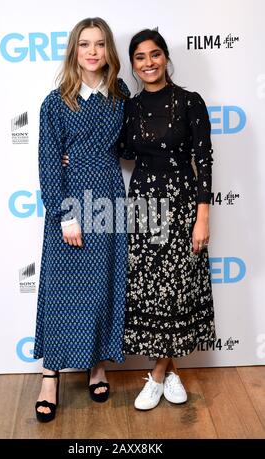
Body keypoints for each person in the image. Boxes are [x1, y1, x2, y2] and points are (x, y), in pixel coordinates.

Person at [34, 17, 130, 422]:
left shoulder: (121, 95)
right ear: (74, 50)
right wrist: (64, 214)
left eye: (100, 44)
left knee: (101, 284)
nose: (92, 51)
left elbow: (133, 143)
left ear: (109, 51)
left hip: (109, 196)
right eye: (84, 44)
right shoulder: (55, 102)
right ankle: (50, 375)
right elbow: (48, 163)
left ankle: (97, 366)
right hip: (72, 199)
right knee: (61, 287)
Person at [121, 29, 216, 410]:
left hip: (181, 204)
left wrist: (202, 215)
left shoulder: (191, 102)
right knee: (150, 290)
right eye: (140, 57)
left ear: (165, 58)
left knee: (177, 289)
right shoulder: (128, 107)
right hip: (143, 204)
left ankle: (158, 374)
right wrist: (69, 156)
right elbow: (116, 148)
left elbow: (204, 161)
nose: (149, 63)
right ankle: (170, 369)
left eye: (155, 54)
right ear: (132, 65)